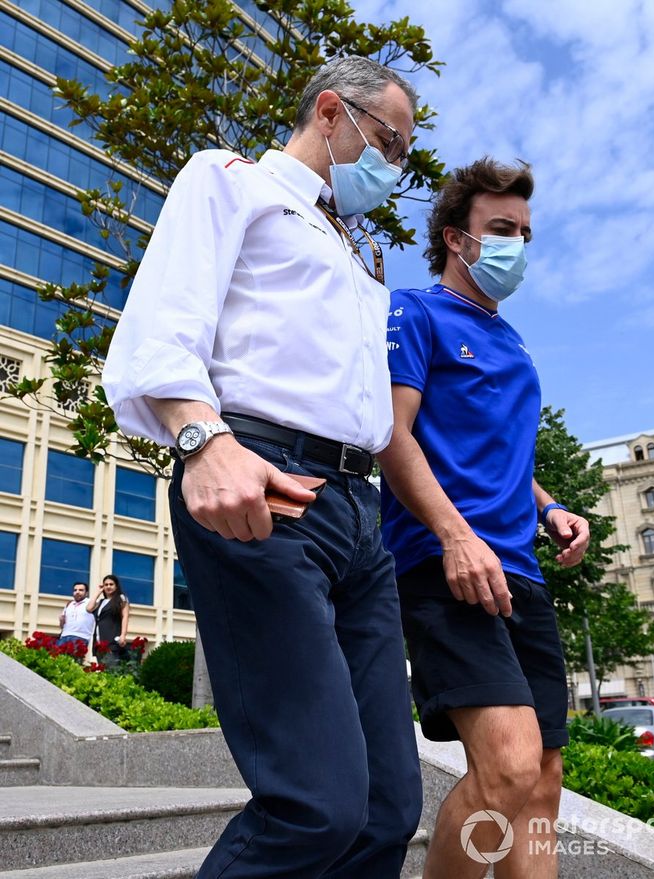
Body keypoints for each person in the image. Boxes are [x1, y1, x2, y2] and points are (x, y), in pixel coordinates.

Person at [102, 56, 422, 879]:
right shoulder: (231, 180)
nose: (395, 167)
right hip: (267, 483)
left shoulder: (357, 253)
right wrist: (201, 440)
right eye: (388, 141)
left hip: (359, 510)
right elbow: (161, 324)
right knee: (316, 801)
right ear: (330, 112)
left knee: (388, 806)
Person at [378, 158, 591, 879]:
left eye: (526, 233)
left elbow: (504, 456)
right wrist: (454, 535)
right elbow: (392, 436)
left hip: (521, 573)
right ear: (456, 239)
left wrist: (551, 506)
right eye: (501, 229)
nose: (517, 247)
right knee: (506, 765)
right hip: (445, 564)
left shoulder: (516, 344)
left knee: (544, 781)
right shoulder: (416, 312)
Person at [87, 574, 129, 667]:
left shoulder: (121, 598)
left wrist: (123, 635)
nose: (108, 586)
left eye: (111, 584)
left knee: (112, 667)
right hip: (99, 640)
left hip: (112, 639)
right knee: (102, 668)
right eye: (106, 585)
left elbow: (125, 617)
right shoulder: (101, 602)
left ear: (116, 586)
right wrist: (98, 592)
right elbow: (89, 608)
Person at [57, 581, 94, 653]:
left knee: (74, 662)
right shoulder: (69, 604)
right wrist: (61, 621)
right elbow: (62, 626)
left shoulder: (90, 603)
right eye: (75, 590)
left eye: (81, 590)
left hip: (81, 637)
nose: (77, 592)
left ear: (86, 593)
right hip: (64, 636)